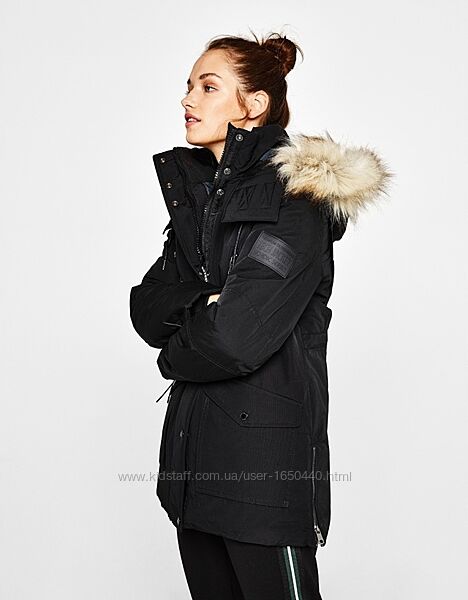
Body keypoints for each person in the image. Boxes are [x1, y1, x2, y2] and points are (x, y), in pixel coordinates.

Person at [130, 30, 393, 600]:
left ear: (253, 104)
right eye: (189, 86)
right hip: (192, 474)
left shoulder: (296, 201)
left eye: (208, 87)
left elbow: (235, 338)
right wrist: (205, 303)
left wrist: (172, 356)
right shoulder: (200, 202)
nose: (187, 99)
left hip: (264, 482)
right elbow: (145, 308)